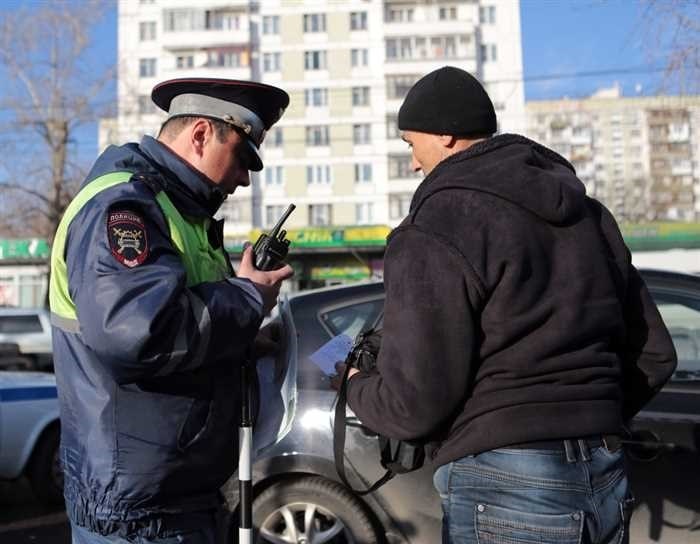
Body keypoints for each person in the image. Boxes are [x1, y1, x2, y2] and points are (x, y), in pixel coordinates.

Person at [340, 66, 677, 544]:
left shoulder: (437, 224)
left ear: (445, 135)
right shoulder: (590, 216)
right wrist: (588, 411)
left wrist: (354, 385)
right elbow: (656, 354)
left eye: (410, 144)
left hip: (504, 483)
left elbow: (413, 404)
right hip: (605, 475)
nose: (413, 163)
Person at [48, 78, 294, 544]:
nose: (245, 179)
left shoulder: (181, 212)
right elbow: (139, 333)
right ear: (201, 134)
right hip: (138, 514)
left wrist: (246, 339)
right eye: (243, 158)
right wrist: (247, 298)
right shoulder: (125, 206)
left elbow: (187, 329)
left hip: (174, 495)